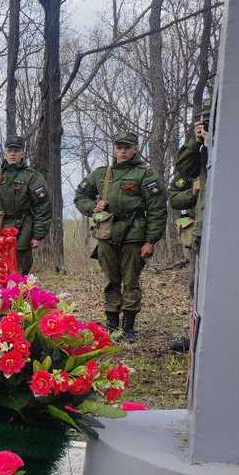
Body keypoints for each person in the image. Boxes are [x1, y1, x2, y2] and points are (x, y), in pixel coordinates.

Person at [74, 131, 168, 341]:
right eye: (119, 147)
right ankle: (111, 325)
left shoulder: (145, 175)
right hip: (106, 234)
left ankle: (128, 328)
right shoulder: (101, 174)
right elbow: (80, 196)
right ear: (114, 148)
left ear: (135, 148)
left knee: (131, 282)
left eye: (127, 147)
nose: (123, 151)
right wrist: (93, 207)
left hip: (134, 236)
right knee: (111, 281)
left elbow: (157, 210)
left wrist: (150, 241)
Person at [0, 135, 50, 275]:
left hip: (21, 232)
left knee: (19, 272)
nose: (13, 154)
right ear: (5, 153)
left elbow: (43, 207)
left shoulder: (32, 177)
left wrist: (38, 235)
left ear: (23, 153)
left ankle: (19, 290)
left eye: (17, 150)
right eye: (10, 150)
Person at [169, 101, 210, 353]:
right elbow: (183, 168)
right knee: (197, 284)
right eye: (202, 119)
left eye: (210, 118)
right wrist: (197, 142)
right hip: (201, 228)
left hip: (228, 228)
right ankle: (197, 336)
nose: (206, 124)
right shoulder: (200, 150)